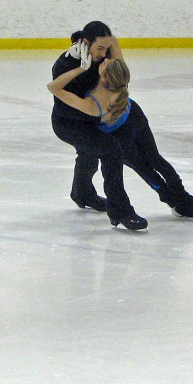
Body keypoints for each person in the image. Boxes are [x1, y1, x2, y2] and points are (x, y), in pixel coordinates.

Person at [48, 54, 193, 220]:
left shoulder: (96, 103)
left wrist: (81, 67)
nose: (104, 59)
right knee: (155, 159)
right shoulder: (118, 81)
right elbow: (111, 40)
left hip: (118, 133)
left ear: (105, 78)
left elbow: (54, 88)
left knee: (143, 167)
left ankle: (171, 199)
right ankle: (184, 200)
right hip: (134, 115)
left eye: (106, 62)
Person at [50, 21, 148, 231]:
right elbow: (56, 91)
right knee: (111, 151)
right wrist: (80, 69)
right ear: (86, 42)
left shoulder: (102, 56)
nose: (104, 54)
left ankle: (82, 193)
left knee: (89, 154)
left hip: (91, 117)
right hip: (68, 122)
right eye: (99, 48)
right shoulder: (64, 65)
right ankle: (121, 212)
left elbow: (114, 48)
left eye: (106, 48)